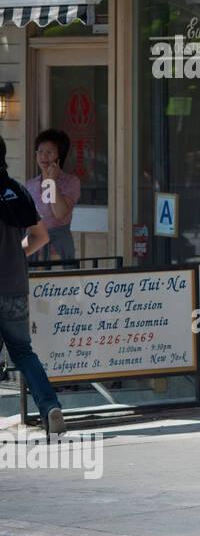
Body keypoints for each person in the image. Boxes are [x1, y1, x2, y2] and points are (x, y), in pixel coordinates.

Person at [0, 137, 63, 434]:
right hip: (14, 286)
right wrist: (16, 253)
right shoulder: (16, 191)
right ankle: (50, 407)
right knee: (23, 352)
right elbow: (41, 237)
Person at [25, 129, 80, 264]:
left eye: (49, 152)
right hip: (33, 247)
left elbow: (60, 213)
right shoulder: (30, 184)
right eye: (40, 151)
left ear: (59, 156)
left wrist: (52, 181)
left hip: (59, 248)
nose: (44, 156)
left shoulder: (70, 182)